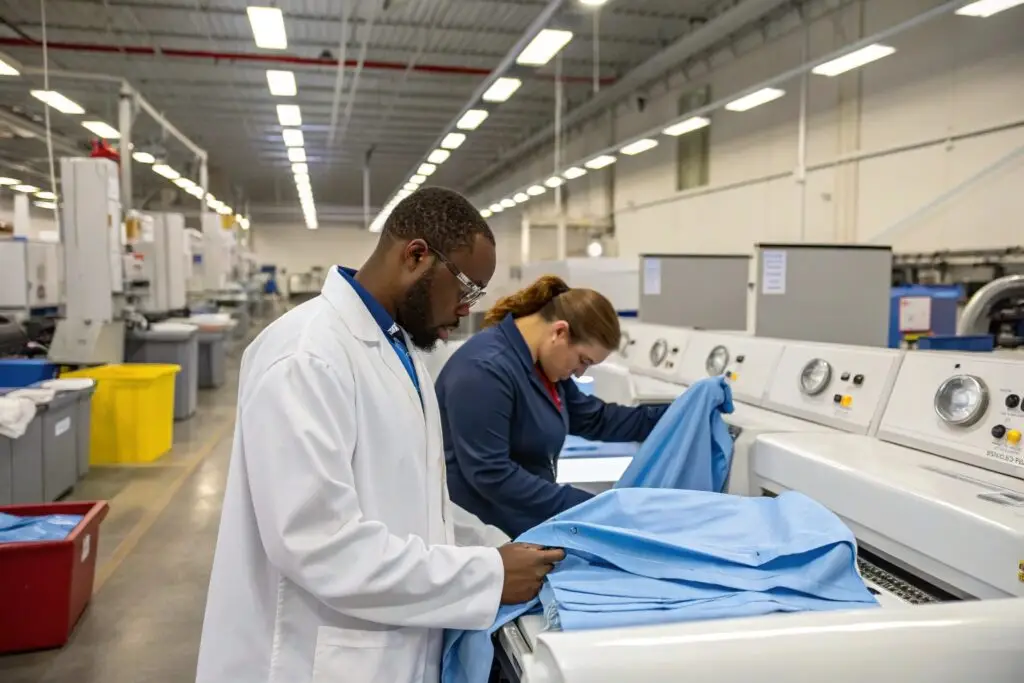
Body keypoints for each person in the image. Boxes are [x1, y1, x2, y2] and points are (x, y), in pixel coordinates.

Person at [195, 188, 564, 683]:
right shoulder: (306, 356)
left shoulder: (399, 349)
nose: (466, 309)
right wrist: (488, 574)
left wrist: (499, 547)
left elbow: (419, 504)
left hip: (383, 647)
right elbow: (318, 542)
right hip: (310, 659)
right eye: (466, 288)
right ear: (416, 255)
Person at [435, 275, 670, 539]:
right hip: (485, 537)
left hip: (520, 527)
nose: (580, 373)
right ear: (559, 332)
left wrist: (679, 413)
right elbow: (492, 474)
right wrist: (590, 507)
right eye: (583, 360)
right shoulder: (485, 370)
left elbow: (595, 419)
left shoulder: (542, 367)